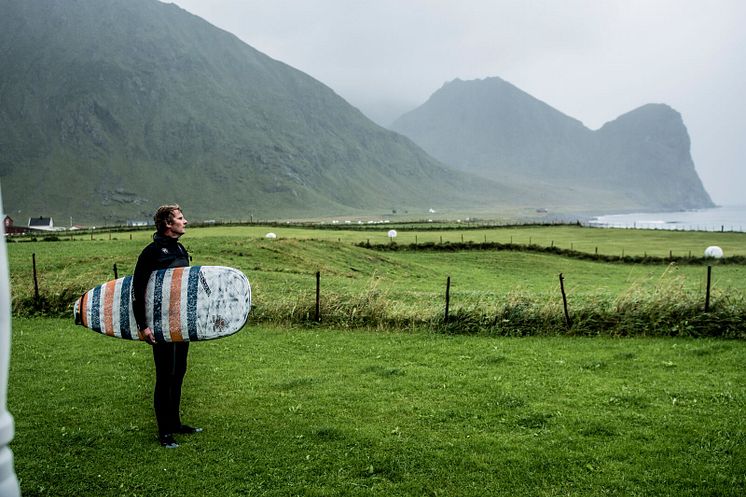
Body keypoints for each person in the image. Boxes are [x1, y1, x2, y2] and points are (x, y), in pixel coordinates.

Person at [132, 204, 202, 448]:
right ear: (168, 224)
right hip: (160, 325)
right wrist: (143, 325)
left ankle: (175, 423)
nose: (186, 221)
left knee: (179, 371)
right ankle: (164, 432)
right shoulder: (151, 252)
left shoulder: (180, 247)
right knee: (165, 376)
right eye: (181, 218)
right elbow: (138, 290)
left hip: (180, 323)